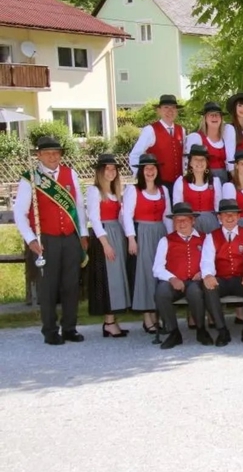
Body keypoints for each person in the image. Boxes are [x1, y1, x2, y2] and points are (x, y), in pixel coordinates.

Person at [13, 136, 89, 345]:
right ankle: (50, 330)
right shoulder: (30, 178)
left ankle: (70, 328)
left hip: (70, 238)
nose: (52, 157)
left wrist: (83, 234)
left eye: (56, 153)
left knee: (71, 285)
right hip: (45, 239)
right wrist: (30, 239)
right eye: (47, 153)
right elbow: (20, 213)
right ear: (39, 155)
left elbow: (79, 207)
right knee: (48, 287)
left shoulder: (70, 173)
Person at [201, 199, 243, 347]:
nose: (229, 218)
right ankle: (222, 331)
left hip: (240, 279)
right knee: (208, 286)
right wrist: (208, 275)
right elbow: (206, 260)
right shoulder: (211, 236)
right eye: (225, 214)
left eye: (233, 214)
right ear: (219, 217)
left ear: (238, 216)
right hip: (221, 279)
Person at [123, 153, 172, 333]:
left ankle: (158, 315)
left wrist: (171, 238)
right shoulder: (133, 190)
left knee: (160, 274)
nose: (150, 171)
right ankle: (147, 317)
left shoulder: (163, 190)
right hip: (142, 233)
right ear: (141, 171)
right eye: (146, 168)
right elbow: (127, 215)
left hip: (160, 234)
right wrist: (131, 238)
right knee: (145, 274)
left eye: (153, 168)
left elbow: (167, 216)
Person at [86, 153, 130, 337]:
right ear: (100, 171)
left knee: (117, 277)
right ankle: (109, 322)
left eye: (114, 169)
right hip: (103, 235)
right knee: (108, 279)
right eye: (107, 169)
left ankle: (111, 321)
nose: (111, 172)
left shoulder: (115, 192)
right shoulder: (94, 191)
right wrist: (105, 244)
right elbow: (94, 219)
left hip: (116, 233)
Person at [152, 203, 206, 349]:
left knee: (195, 292)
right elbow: (157, 268)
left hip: (196, 281)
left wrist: (203, 273)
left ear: (192, 221)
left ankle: (201, 330)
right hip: (174, 281)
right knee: (161, 292)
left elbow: (212, 261)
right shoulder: (166, 240)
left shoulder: (204, 238)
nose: (181, 224)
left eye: (185, 220)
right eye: (177, 221)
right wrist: (172, 278)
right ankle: (174, 333)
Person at [128, 94, 185, 193]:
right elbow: (135, 155)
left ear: (176, 111)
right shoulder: (150, 130)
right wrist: (143, 177)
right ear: (159, 110)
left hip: (178, 184)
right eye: (166, 107)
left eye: (173, 108)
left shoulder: (181, 130)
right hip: (158, 184)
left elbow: (184, 157)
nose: (170, 111)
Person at [173, 144, 223, 234]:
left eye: (202, 159)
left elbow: (218, 208)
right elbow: (177, 210)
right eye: (196, 159)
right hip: (189, 225)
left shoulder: (215, 181)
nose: (199, 162)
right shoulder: (180, 182)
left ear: (207, 162)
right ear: (190, 163)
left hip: (211, 224)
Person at [185, 102, 229, 183]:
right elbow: (190, 163)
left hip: (224, 178)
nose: (214, 117)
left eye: (217, 114)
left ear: (221, 118)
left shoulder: (225, 137)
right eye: (211, 114)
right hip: (205, 179)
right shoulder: (197, 137)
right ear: (205, 118)